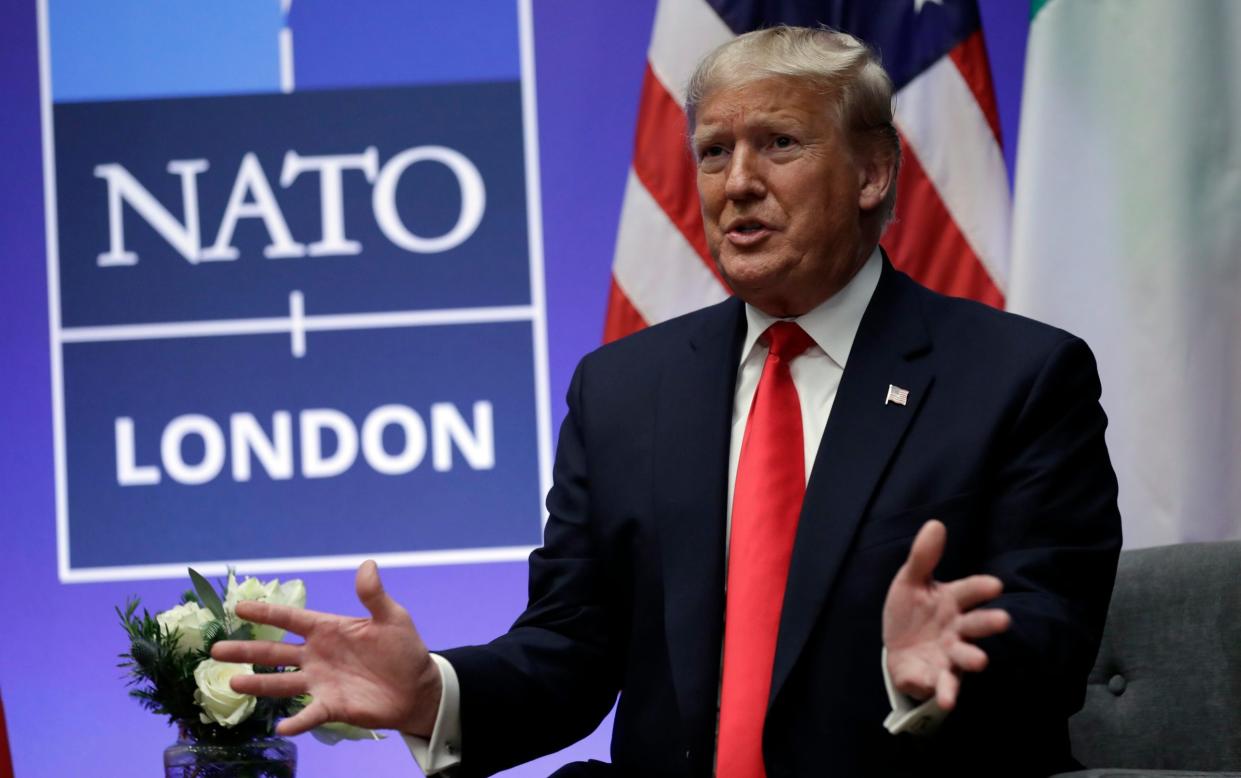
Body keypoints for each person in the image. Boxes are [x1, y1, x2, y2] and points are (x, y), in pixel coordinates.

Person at [214, 26, 1121, 777]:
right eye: (714, 152)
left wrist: (924, 676)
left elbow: (1051, 636)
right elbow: (570, 649)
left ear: (873, 174)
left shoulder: (1016, 378)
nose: (736, 184)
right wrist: (433, 693)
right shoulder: (622, 389)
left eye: (780, 143)